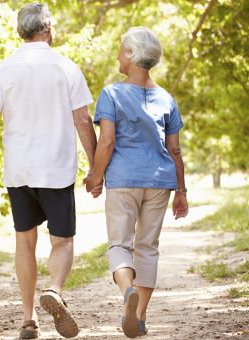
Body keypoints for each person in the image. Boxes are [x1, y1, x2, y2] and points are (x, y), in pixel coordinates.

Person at [0, 3, 97, 339]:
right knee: (63, 241)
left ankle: (29, 320)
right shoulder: (65, 66)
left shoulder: (4, 68)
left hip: (19, 169)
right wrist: (97, 166)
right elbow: (83, 120)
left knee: (24, 241)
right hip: (55, 169)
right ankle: (55, 290)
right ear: (46, 29)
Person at [84, 27, 189, 338]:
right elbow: (175, 149)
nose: (117, 55)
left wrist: (95, 175)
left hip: (124, 180)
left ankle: (127, 290)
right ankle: (140, 316)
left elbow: (107, 142)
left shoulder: (112, 94)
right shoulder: (167, 98)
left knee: (120, 244)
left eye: (120, 49)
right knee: (147, 248)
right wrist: (181, 191)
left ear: (130, 54)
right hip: (159, 182)